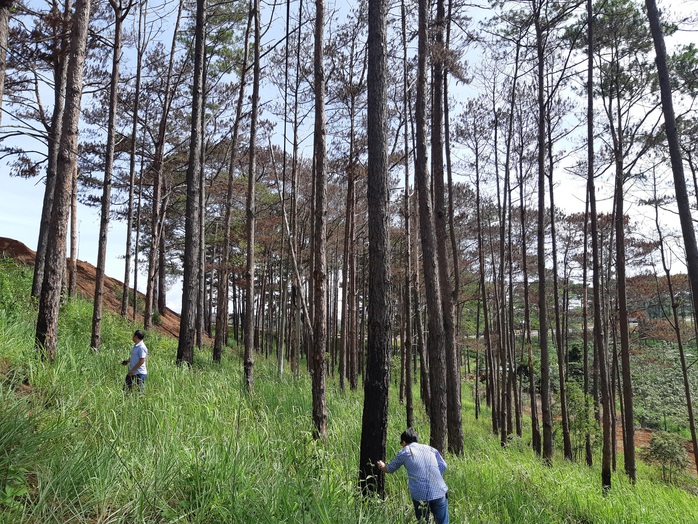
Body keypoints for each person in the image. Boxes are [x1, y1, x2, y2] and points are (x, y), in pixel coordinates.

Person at [377, 428, 449, 524]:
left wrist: (382, 466)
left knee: (423, 521)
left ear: (404, 442)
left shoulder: (405, 452)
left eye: (401, 444)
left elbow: (389, 469)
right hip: (440, 491)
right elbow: (444, 465)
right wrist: (433, 478)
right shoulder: (431, 449)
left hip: (420, 495)